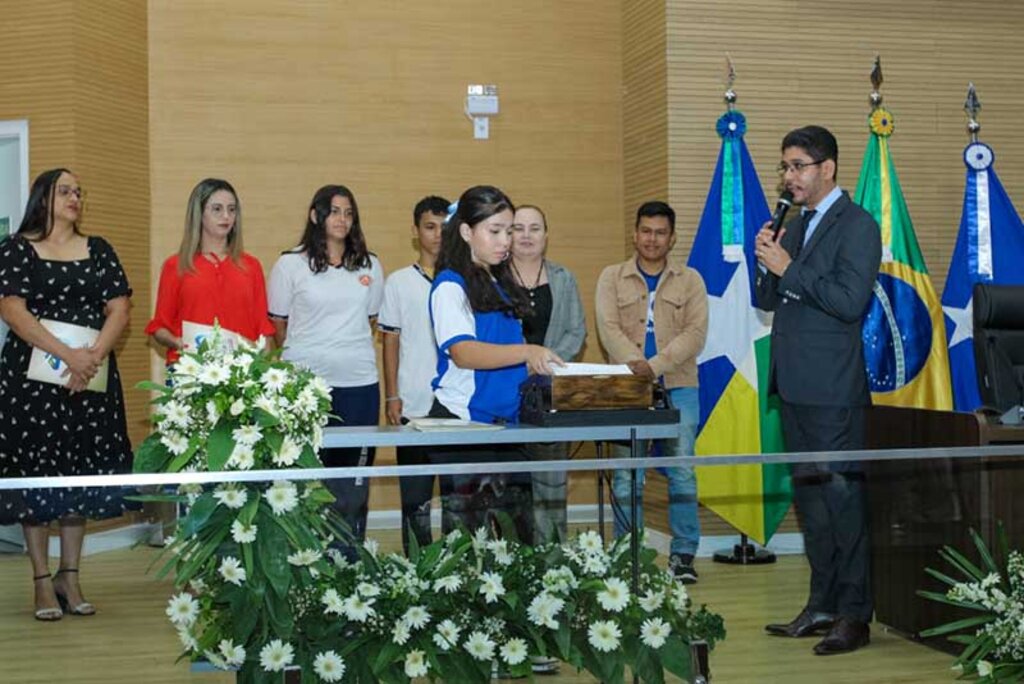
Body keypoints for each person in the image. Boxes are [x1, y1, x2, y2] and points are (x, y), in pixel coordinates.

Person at [755, 125, 881, 656]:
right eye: (785, 166)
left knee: (843, 503)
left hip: (833, 390)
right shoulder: (797, 223)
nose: (789, 176)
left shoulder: (857, 225)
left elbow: (850, 301)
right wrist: (767, 257)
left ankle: (855, 615)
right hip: (796, 385)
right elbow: (771, 297)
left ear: (827, 168)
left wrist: (790, 267)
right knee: (812, 502)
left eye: (798, 166)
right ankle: (822, 603)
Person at [0, 168, 136, 620]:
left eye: (80, 190)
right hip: (32, 381)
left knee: (79, 474)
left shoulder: (99, 249)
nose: (75, 197)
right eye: (66, 190)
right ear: (44, 197)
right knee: (38, 475)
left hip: (90, 380)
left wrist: (91, 356)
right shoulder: (18, 248)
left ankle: (70, 576)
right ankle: (41, 580)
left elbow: (120, 306)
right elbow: (12, 309)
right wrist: (67, 356)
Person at [428, 185, 563, 540]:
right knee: (467, 544)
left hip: (508, 425)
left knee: (518, 542)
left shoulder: (501, 282)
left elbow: (509, 352)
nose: (507, 241)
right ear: (466, 232)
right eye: (496, 231)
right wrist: (527, 352)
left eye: (510, 230)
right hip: (464, 425)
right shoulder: (449, 285)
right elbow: (464, 352)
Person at [268, 185, 384, 559]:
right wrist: (310, 357)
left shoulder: (370, 265)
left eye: (349, 213)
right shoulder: (290, 264)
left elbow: (372, 320)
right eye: (334, 211)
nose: (342, 220)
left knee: (351, 476)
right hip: (306, 389)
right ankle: (305, 557)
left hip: (359, 384)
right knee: (306, 470)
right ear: (316, 215)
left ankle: (348, 557)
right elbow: (279, 325)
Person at [595, 200, 707, 584]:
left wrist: (655, 366)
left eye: (661, 232)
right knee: (627, 476)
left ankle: (684, 555)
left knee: (682, 473)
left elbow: (695, 334)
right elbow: (608, 328)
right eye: (646, 231)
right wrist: (636, 366)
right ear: (635, 233)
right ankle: (629, 554)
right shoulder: (612, 276)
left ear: (672, 237)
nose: (652, 239)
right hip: (626, 389)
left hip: (679, 386)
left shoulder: (691, 280)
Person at [509, 204, 586, 543]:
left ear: (546, 236)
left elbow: (576, 332)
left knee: (551, 482)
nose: (526, 235)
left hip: (550, 395)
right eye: (519, 228)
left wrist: (542, 363)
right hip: (503, 394)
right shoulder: (493, 279)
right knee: (509, 487)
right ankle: (512, 564)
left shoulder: (563, 278)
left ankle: (553, 564)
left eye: (534, 228)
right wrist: (518, 361)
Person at [378, 195, 448, 554]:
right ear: (416, 231)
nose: (438, 235)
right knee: (415, 500)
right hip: (414, 404)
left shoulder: (467, 280)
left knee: (457, 501)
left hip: (459, 409)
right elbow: (390, 341)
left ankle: (458, 575)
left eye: (444, 227)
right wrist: (392, 395)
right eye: (430, 227)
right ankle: (418, 573)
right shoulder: (399, 282)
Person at [146, 178, 274, 362]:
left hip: (240, 373)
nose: (226, 216)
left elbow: (264, 329)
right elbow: (159, 327)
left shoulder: (251, 266)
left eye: (232, 209)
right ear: (199, 214)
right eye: (217, 209)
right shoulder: (176, 265)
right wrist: (177, 342)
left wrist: (262, 365)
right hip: (189, 370)